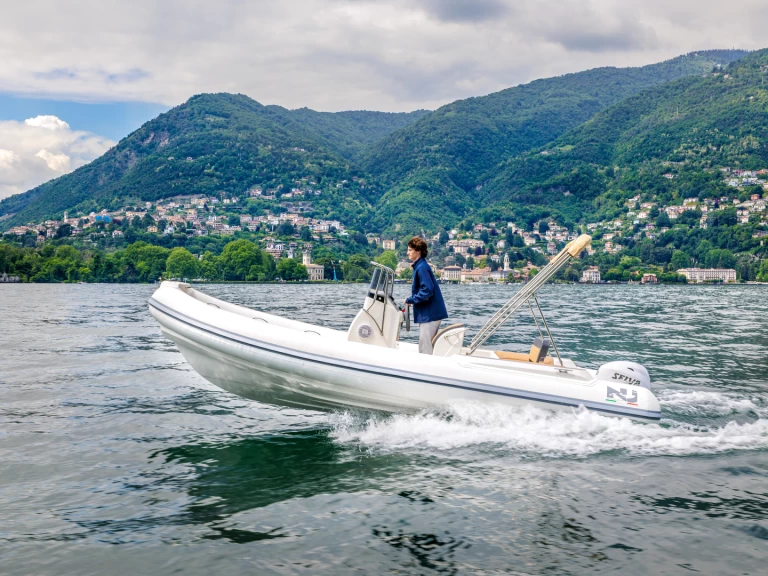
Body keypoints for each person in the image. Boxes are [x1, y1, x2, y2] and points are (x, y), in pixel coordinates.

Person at [403, 237, 448, 354]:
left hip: (429, 315)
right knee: (426, 345)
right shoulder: (420, 266)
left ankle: (425, 370)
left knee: (425, 348)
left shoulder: (422, 268)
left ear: (418, 251)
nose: (407, 252)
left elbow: (427, 290)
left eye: (409, 250)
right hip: (431, 313)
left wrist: (411, 300)